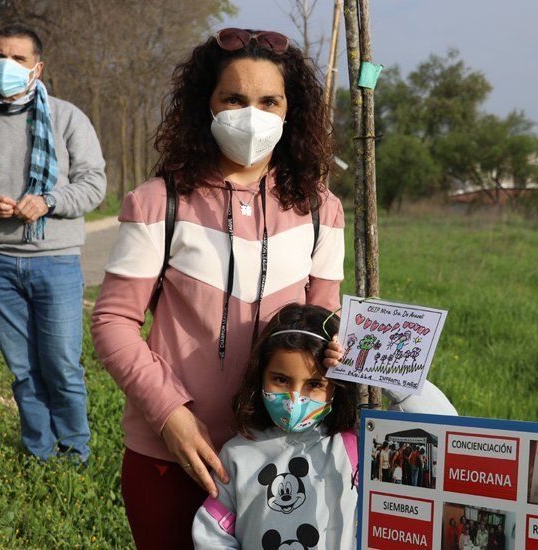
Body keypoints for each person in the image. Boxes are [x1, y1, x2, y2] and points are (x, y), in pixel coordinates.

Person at [90, 27, 457, 548]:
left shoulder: (320, 209)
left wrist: (347, 349)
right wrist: (170, 416)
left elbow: (321, 323)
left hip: (284, 459)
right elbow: (113, 322)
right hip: (170, 456)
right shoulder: (157, 202)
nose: (252, 115)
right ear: (206, 106)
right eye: (234, 98)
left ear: (291, 111)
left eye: (269, 101)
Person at [0, 24, 106, 463]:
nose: (7, 66)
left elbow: (94, 185)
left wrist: (48, 201)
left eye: (18, 59)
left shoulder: (68, 118)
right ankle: (39, 452)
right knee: (23, 370)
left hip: (56, 262)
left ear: (37, 67)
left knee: (62, 366)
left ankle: (75, 452)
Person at [191, 304, 455, 549]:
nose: (295, 399)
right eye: (281, 379)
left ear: (336, 388)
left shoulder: (358, 445)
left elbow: (442, 429)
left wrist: (372, 368)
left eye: (314, 384)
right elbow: (213, 532)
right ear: (260, 375)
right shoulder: (237, 454)